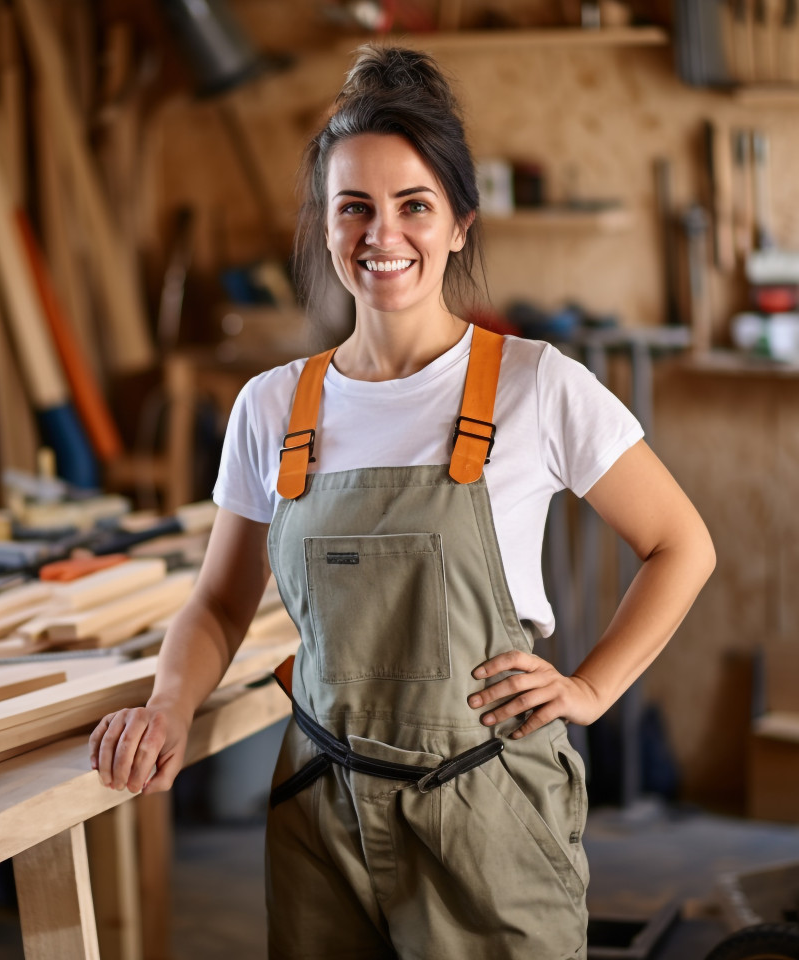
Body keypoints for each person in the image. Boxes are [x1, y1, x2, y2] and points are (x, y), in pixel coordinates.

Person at [90, 45, 715, 959]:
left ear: (460, 223)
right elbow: (218, 603)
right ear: (327, 225)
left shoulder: (537, 387)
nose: (384, 234)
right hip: (321, 816)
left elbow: (681, 544)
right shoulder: (273, 405)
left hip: (488, 813)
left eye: (414, 205)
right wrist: (168, 708)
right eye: (356, 208)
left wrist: (590, 687)